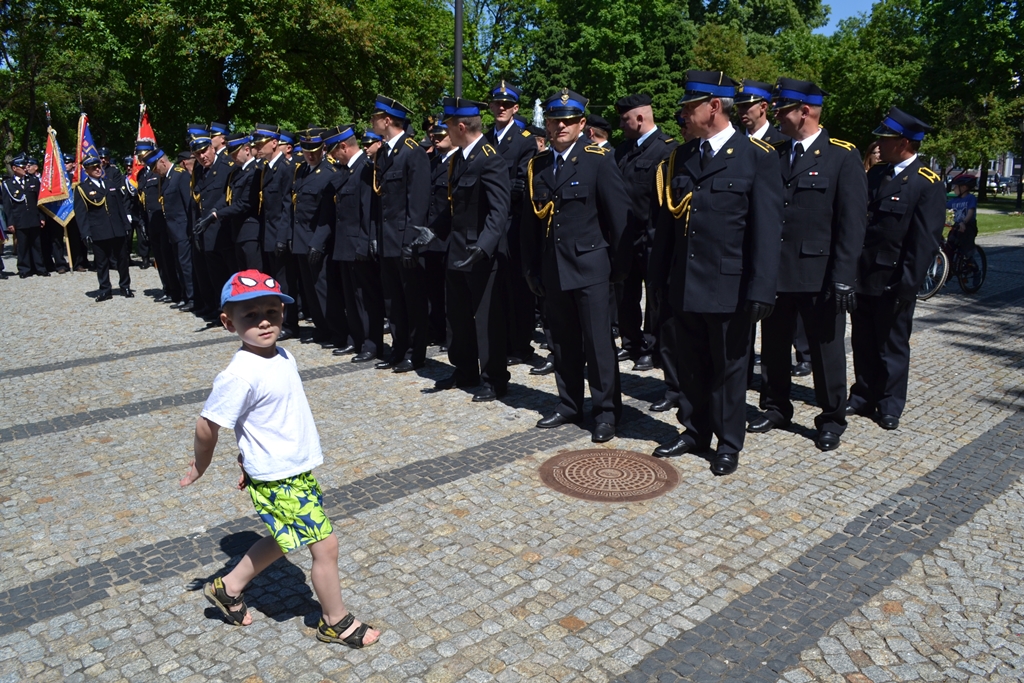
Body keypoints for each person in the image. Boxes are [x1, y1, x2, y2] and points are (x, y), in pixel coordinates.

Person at [180, 270, 380, 648]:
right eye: (250, 315)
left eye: (271, 311)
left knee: (286, 536)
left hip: (291, 468)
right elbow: (207, 425)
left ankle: (228, 587)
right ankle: (334, 622)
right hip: (279, 477)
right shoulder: (239, 374)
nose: (264, 322)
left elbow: (262, 420)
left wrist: (248, 458)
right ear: (228, 322)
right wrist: (200, 466)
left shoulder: (283, 355)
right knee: (325, 545)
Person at [648, 70, 783, 475]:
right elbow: (668, 226)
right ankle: (694, 430)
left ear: (713, 107)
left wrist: (762, 289)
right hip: (685, 280)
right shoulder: (682, 157)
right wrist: (658, 279)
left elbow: (766, 230)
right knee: (689, 362)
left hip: (730, 284)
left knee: (729, 367)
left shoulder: (757, 157)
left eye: (689, 107)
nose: (683, 115)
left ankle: (727, 441)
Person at [746, 78, 867, 452]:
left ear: (805, 111)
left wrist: (844, 276)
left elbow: (852, 224)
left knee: (826, 352)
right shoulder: (775, 154)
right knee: (775, 346)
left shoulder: (841, 156)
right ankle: (776, 407)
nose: (777, 117)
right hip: (778, 272)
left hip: (820, 275)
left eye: (783, 110)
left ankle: (831, 418)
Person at [520, 88, 631, 443]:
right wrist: (531, 268)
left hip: (591, 267)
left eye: (568, 121)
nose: (561, 127)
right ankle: (569, 404)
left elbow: (619, 219)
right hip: (553, 269)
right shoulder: (538, 165)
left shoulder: (599, 160)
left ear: (582, 124)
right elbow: (530, 224)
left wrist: (617, 269)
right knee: (563, 343)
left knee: (598, 346)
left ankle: (606, 412)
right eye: (555, 120)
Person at [847, 106, 946, 430]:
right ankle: (863, 395)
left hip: (893, 279)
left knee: (892, 344)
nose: (879, 144)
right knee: (863, 340)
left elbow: (924, 241)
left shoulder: (926, 183)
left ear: (903, 142)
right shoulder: (876, 174)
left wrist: (908, 284)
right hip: (865, 273)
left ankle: (890, 404)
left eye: (885, 138)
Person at [432, 97, 511, 402]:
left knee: (487, 319)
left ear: (461, 127)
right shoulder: (459, 159)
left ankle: (494, 379)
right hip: (457, 250)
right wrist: (432, 231)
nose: (446, 132)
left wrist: (484, 246)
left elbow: (499, 210)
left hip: (481, 253)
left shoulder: (489, 158)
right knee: (458, 316)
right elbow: (455, 208)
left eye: (449, 126)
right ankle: (464, 369)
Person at [614, 93, 678, 378]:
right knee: (625, 292)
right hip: (626, 235)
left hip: (652, 234)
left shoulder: (666, 150)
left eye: (624, 119)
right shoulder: (622, 150)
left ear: (640, 118)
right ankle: (631, 341)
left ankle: (653, 347)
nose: (620, 125)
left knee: (655, 296)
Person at [370, 95, 433, 373]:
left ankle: (414, 353)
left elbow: (417, 203)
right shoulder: (384, 152)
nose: (372, 122)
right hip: (387, 239)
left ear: (387, 120)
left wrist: (411, 243)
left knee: (412, 301)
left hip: (405, 240)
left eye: (375, 117)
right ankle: (398, 348)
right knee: (393, 300)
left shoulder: (412, 151)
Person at [485, 82, 537, 366]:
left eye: (507, 105)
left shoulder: (524, 140)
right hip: (488, 221)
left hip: (511, 221)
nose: (501, 108)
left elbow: (520, 183)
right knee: (495, 285)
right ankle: (501, 339)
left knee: (516, 285)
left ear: (516, 108)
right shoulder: (486, 138)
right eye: (497, 104)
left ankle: (520, 344)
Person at [329, 125, 384, 362]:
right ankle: (356, 339)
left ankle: (372, 344)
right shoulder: (347, 170)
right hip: (344, 245)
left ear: (343, 146)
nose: (332, 157)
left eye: (334, 151)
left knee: (366, 298)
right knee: (351, 298)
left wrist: (364, 243)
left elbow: (368, 211)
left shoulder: (365, 169)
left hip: (359, 246)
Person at [288, 128, 338, 346]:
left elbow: (327, 215)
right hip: (301, 240)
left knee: (324, 289)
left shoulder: (329, 172)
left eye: (314, 150)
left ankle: (336, 330)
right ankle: (322, 328)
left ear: (323, 149)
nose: (310, 154)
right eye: (306, 150)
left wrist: (318, 243)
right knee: (310, 290)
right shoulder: (301, 171)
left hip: (317, 241)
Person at [74, 152, 133, 300]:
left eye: (98, 166)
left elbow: (120, 207)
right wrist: (85, 233)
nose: (97, 169)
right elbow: (81, 214)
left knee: (122, 260)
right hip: (99, 230)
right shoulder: (82, 189)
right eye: (93, 168)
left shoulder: (110, 184)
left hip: (116, 228)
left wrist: (126, 225)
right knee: (102, 262)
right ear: (86, 170)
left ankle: (125, 286)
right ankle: (105, 289)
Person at [144, 148, 197, 312]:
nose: (154, 172)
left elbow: (188, 205)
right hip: (173, 230)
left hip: (183, 229)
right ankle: (184, 295)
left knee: (186, 266)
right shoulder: (166, 178)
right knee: (178, 265)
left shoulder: (180, 175)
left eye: (155, 168)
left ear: (162, 161)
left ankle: (192, 298)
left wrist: (191, 230)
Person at [425, 116, 455, 348]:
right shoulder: (433, 162)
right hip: (431, 234)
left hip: (450, 236)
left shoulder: (458, 161)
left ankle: (450, 333)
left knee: (449, 291)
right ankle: (436, 330)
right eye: (434, 135)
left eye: (440, 135)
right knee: (433, 288)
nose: (435, 139)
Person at [2, 153, 48, 278]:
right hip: (19, 219)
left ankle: (40, 268)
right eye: (22, 167)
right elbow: (7, 206)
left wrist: (42, 217)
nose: (25, 169)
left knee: (36, 244)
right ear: (14, 168)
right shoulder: (8, 184)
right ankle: (24, 269)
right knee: (22, 245)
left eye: (26, 166)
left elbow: (39, 202)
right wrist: (10, 222)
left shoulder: (33, 181)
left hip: (34, 217)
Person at [946, 174, 978, 258]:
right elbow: (943, 206)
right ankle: (949, 264)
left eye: (956, 186)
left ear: (963, 187)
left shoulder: (970, 198)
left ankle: (970, 263)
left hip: (968, 226)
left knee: (966, 250)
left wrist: (964, 222)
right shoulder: (955, 200)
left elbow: (970, 211)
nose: (954, 189)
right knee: (949, 246)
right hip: (957, 226)